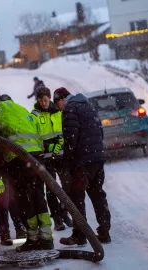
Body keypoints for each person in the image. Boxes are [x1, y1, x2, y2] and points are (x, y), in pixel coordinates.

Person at [0, 94, 54, 252]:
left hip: (20, 160)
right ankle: (47, 237)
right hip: (36, 158)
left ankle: (33, 239)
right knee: (38, 196)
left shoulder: (2, 108)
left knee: (25, 198)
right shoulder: (22, 110)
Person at [53, 87, 112, 245]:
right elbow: (100, 132)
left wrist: (67, 160)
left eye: (57, 104)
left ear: (61, 99)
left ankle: (80, 235)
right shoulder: (88, 105)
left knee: (76, 196)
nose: (59, 108)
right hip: (97, 158)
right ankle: (104, 231)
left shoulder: (70, 109)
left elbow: (71, 137)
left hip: (83, 162)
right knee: (97, 193)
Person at [30, 87, 73, 231]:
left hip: (61, 156)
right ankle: (57, 219)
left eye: (46, 100)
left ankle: (64, 213)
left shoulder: (59, 112)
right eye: (41, 100)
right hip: (46, 158)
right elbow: (33, 137)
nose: (43, 103)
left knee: (67, 187)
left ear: (49, 98)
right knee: (51, 189)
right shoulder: (34, 115)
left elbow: (66, 131)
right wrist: (48, 146)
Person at [0, 121, 27, 246]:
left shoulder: (8, 125)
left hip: (9, 167)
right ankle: (4, 232)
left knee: (14, 197)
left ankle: (19, 227)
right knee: (3, 198)